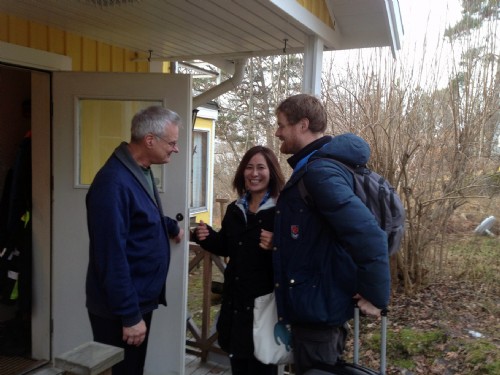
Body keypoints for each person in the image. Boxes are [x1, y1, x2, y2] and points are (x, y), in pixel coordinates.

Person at [272, 94, 391, 375]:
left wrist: (376, 295)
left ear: (303, 125)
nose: (277, 132)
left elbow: (367, 233)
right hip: (315, 305)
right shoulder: (314, 167)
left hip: (319, 312)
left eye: (281, 125)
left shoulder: (320, 172)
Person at [85, 105, 185, 375]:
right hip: (120, 308)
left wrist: (167, 225)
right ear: (150, 140)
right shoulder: (113, 183)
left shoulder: (139, 168)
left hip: (137, 300)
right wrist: (130, 315)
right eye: (172, 143)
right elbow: (111, 255)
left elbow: (135, 216)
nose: (175, 149)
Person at [193, 145, 285, 375]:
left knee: (263, 366)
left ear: (271, 172)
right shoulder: (235, 209)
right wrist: (207, 237)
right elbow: (227, 245)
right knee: (238, 367)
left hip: (264, 311)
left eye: (261, 167)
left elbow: (300, 253)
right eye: (249, 167)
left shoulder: (282, 210)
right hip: (235, 307)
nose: (254, 173)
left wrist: (278, 245)